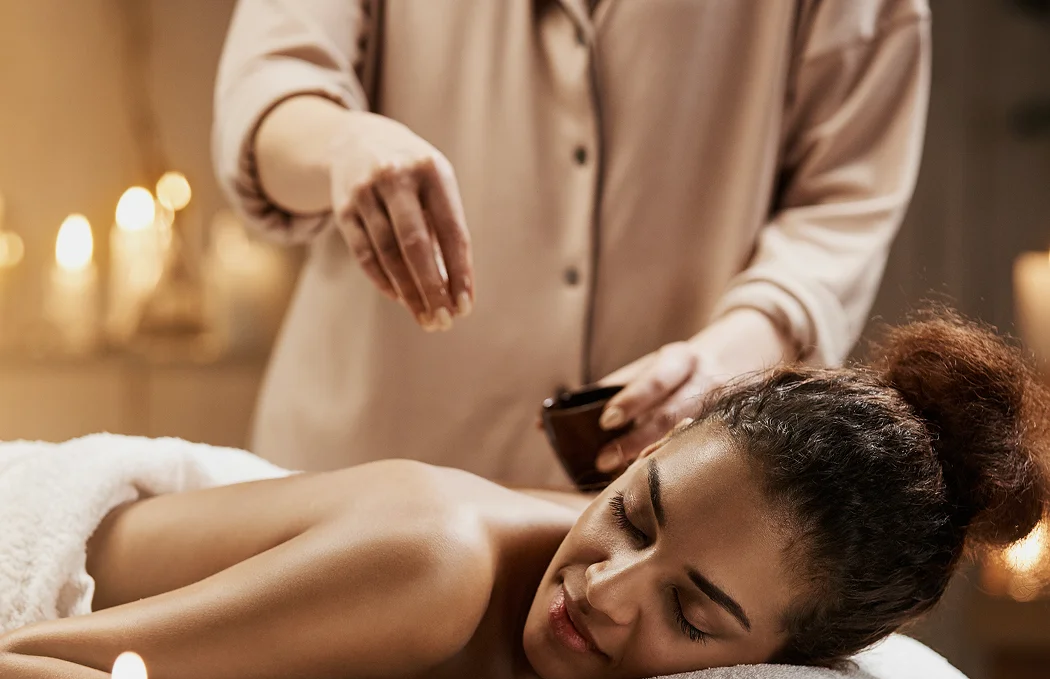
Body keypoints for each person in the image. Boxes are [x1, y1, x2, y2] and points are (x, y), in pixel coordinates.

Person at [1, 315, 1045, 679]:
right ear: (650, 452)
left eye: (691, 614)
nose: (605, 588)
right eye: (632, 514)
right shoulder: (434, 563)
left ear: (781, 666)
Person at [212, 0, 931, 486]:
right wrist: (341, 143)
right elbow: (272, 82)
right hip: (352, 478)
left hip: (651, 522)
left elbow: (844, 199)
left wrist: (727, 362)